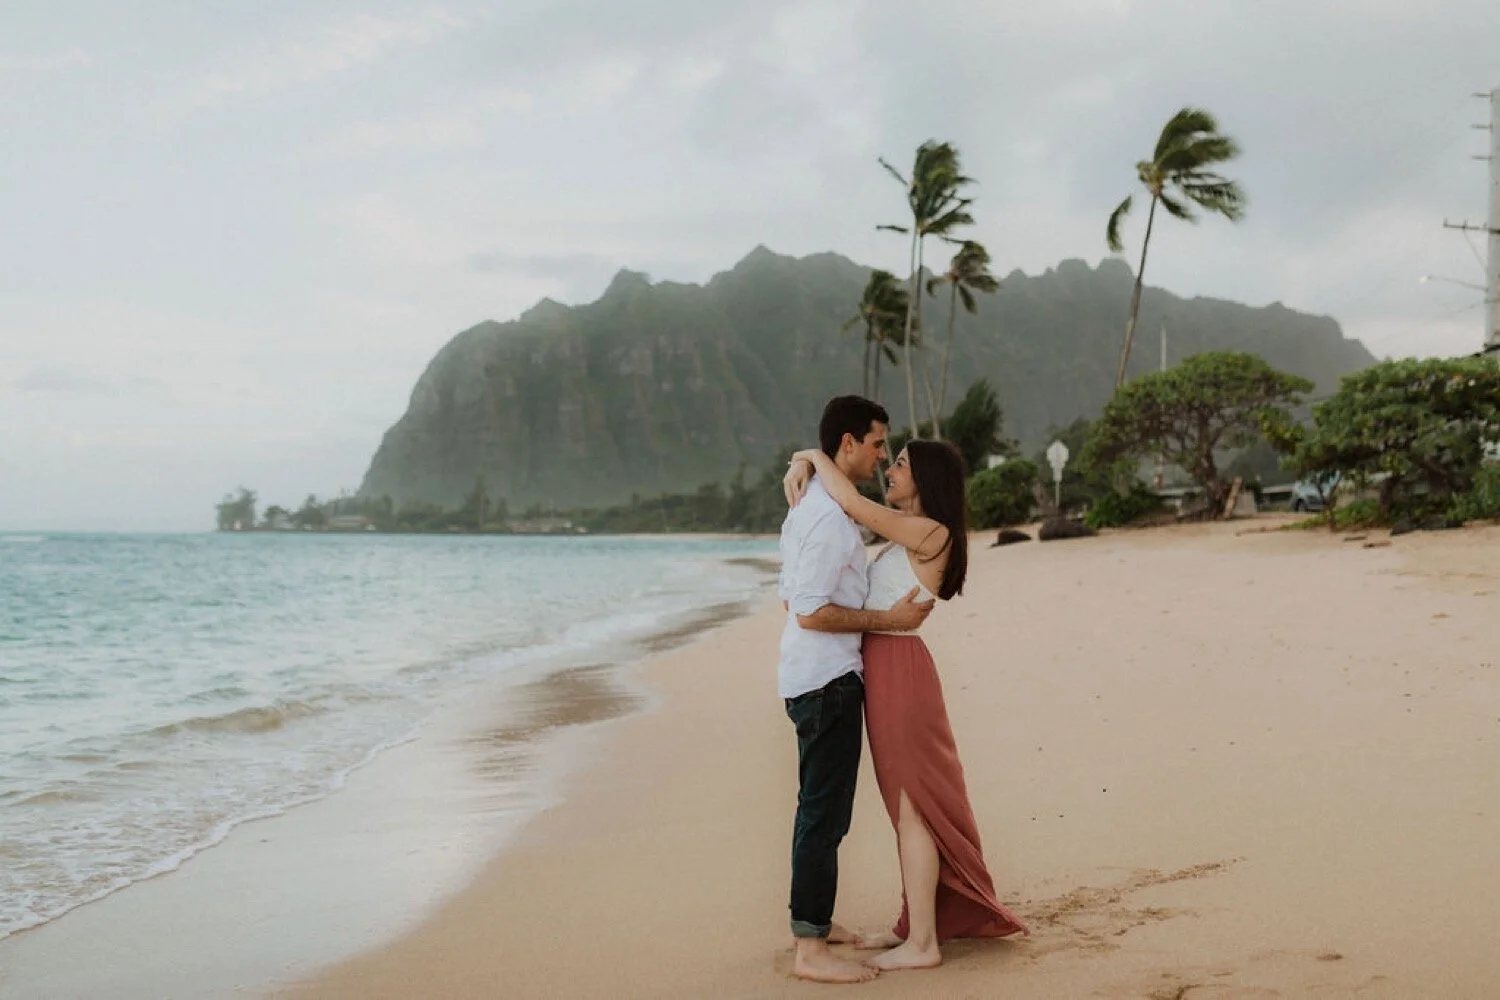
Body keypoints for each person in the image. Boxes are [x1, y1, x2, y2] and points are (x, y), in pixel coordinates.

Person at [785, 437, 1030, 972]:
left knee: (911, 804)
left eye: (899, 464)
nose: (889, 470)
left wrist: (811, 456)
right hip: (886, 665)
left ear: (926, 479)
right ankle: (912, 925)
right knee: (905, 802)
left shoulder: (931, 532)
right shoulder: (912, 530)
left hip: (899, 669)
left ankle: (922, 943)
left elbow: (852, 504)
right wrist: (807, 461)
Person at [777, 395, 936, 984]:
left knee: (822, 812)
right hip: (827, 681)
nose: (882, 456)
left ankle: (814, 923)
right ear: (847, 444)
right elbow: (811, 611)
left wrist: (806, 459)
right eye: (876, 443)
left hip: (810, 675)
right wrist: (888, 621)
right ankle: (809, 950)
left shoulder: (814, 507)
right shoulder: (824, 518)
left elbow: (792, 599)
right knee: (823, 815)